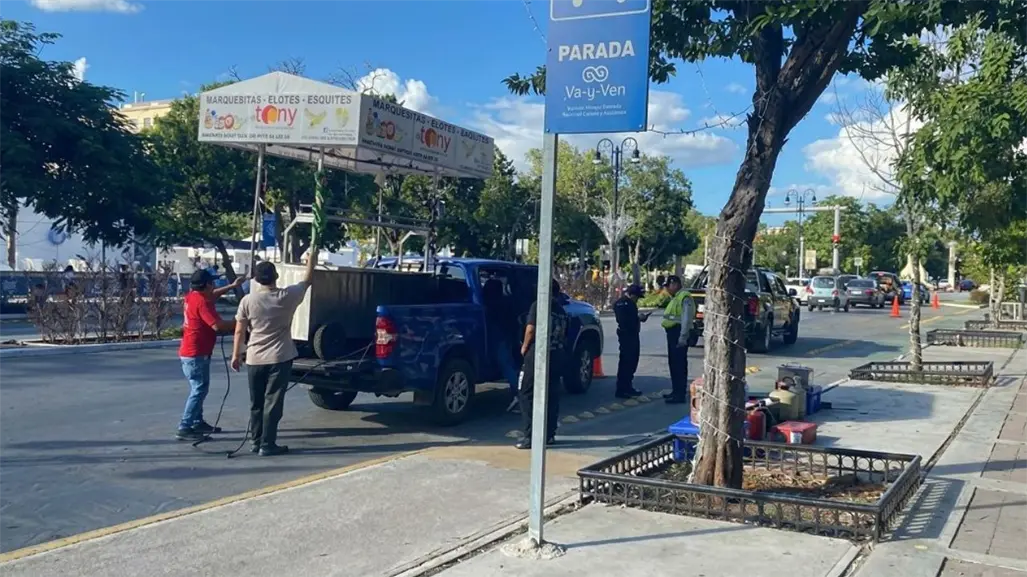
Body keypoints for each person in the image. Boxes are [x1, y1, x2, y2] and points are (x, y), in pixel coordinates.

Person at [231, 246, 318, 456]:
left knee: (256, 402)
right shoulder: (287, 296)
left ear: (257, 279)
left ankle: (255, 440)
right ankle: (268, 444)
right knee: (273, 402)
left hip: (254, 358)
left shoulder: (247, 301)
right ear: (276, 277)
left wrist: (236, 355)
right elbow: (307, 281)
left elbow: (239, 331)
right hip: (280, 357)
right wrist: (311, 260)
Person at [176, 270, 243, 441]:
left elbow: (213, 295)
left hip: (195, 352)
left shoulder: (193, 296)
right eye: (212, 283)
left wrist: (232, 286)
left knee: (200, 388)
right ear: (206, 285)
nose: (214, 285)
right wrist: (241, 322)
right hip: (195, 353)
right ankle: (185, 426)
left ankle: (197, 422)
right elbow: (218, 326)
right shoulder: (202, 303)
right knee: (199, 389)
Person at [515, 279, 568, 450]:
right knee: (552, 395)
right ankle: (549, 434)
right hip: (557, 355)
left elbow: (531, 329)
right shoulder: (560, 310)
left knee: (526, 393)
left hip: (538, 355)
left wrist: (524, 347)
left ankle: (530, 436)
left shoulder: (538, 305)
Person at [482, 278, 520, 414]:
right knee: (509, 364)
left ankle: (519, 395)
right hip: (507, 335)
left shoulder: (491, 304)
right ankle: (519, 392)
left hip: (498, 336)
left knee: (506, 365)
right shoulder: (506, 301)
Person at [660, 275, 695, 405]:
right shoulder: (675, 298)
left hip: (678, 334)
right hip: (672, 334)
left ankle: (679, 394)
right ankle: (675, 391)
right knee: (673, 364)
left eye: (668, 286)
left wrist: (683, 337)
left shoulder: (684, 297)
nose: (667, 289)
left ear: (674, 284)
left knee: (679, 365)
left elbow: (686, 319)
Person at [613, 284, 651, 399]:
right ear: (632, 294)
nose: (637, 300)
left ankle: (624, 387)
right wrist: (639, 318)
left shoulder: (619, 303)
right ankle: (625, 388)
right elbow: (627, 321)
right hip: (629, 335)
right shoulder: (628, 304)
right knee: (629, 361)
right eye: (637, 297)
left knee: (626, 361)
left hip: (626, 335)